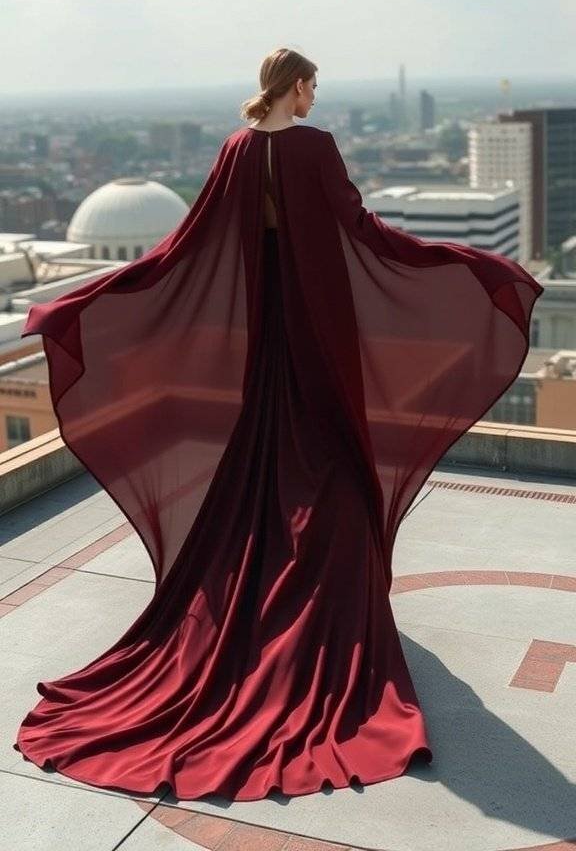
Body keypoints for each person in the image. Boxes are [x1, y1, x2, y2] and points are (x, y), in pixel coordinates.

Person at [14, 47, 544, 801]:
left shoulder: (236, 149)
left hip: (266, 337)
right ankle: (319, 606)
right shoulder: (313, 147)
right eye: (314, 85)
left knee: (266, 464)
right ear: (296, 86)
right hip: (318, 334)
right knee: (332, 465)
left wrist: (77, 306)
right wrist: (467, 264)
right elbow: (363, 230)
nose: (316, 97)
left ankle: (272, 590)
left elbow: (181, 248)